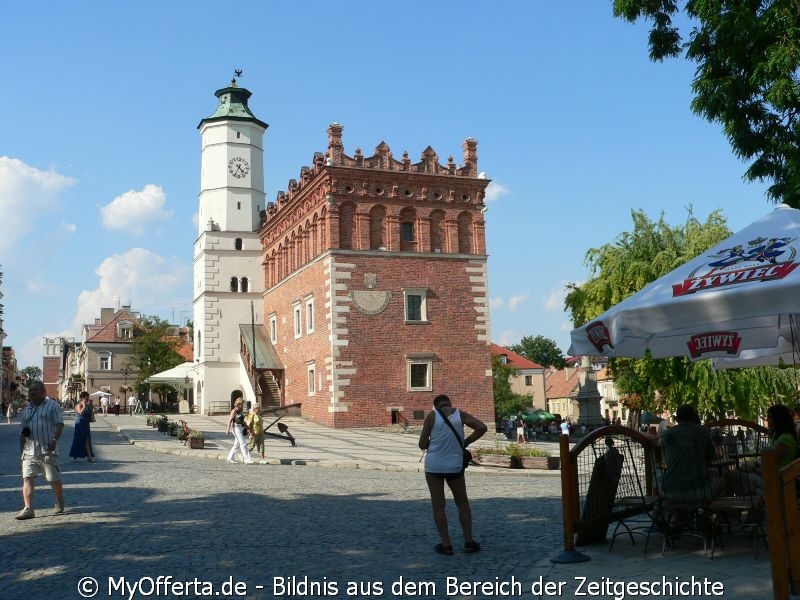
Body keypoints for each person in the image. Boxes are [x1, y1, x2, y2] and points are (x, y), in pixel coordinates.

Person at [418, 394, 487, 555]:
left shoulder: (431, 416)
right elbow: (482, 427)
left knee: (438, 506)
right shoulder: (460, 415)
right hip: (454, 466)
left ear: (436, 405)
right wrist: (466, 441)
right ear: (449, 403)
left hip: (434, 466)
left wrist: (434, 444)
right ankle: (468, 542)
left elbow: (422, 444)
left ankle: (446, 545)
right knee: (462, 503)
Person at [15, 381, 66, 520]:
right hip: (29, 451)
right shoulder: (27, 409)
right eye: (30, 390)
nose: (31, 392)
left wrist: (54, 440)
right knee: (27, 478)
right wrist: (21, 452)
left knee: (52, 478)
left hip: (47, 450)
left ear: (43, 391)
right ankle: (28, 509)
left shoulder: (52, 406)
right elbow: (22, 432)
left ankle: (59, 498)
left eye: (35, 390)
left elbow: (60, 424)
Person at [765, 404, 798, 470]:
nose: (766, 419)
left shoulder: (785, 438)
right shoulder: (777, 436)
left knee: (739, 474)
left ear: (777, 418)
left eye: (769, 416)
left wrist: (757, 468)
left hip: (779, 476)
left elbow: (771, 461)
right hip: (771, 473)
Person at [226, 397, 255, 464]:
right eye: (242, 404)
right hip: (236, 428)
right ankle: (247, 459)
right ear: (238, 404)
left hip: (240, 428)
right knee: (243, 443)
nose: (243, 405)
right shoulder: (234, 411)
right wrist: (227, 429)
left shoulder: (240, 411)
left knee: (237, 444)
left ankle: (230, 458)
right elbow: (230, 420)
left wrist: (250, 429)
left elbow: (243, 422)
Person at [69, 391, 95, 463]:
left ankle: (89, 456)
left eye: (88, 398)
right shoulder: (78, 404)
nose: (87, 399)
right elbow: (80, 413)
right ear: (82, 398)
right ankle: (75, 457)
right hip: (80, 424)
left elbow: (90, 413)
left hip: (86, 423)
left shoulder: (88, 404)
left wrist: (92, 408)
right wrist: (84, 406)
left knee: (87, 439)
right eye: (86, 398)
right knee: (78, 439)